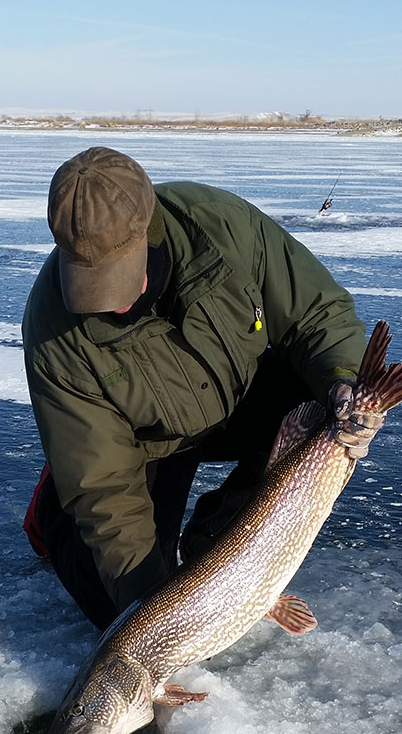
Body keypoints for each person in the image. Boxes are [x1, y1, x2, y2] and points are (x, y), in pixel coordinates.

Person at [22, 146, 370, 630]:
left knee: (318, 392)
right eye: (93, 285)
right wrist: (157, 624)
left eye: (119, 279)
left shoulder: (220, 225)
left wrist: (344, 382)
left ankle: (217, 541)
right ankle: (51, 509)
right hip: (144, 442)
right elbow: (105, 488)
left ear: (149, 229)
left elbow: (317, 315)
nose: (112, 304)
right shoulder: (53, 331)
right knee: (119, 610)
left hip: (237, 396)